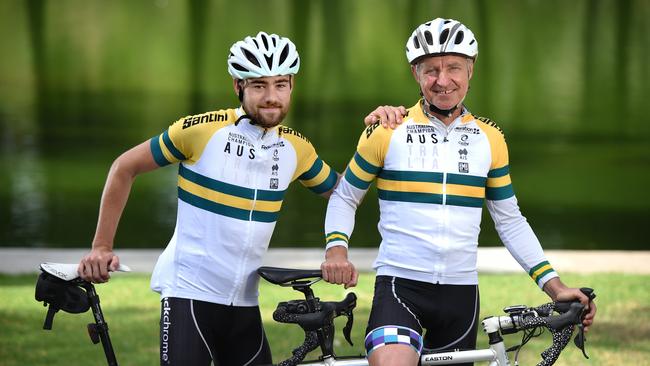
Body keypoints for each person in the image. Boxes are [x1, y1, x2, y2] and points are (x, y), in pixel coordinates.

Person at [320, 18, 596, 366]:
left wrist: (554, 286)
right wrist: (336, 250)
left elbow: (509, 220)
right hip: (400, 286)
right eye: (431, 70)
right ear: (415, 74)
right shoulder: (387, 129)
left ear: (471, 70)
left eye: (454, 68)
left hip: (461, 295)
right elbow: (346, 196)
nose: (443, 80)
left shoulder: (490, 139)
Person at [77, 31, 340, 365]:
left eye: (281, 84)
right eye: (259, 85)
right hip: (189, 295)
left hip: (244, 303)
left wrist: (384, 133)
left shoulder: (297, 149)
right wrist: (101, 246)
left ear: (291, 86)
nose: (272, 96)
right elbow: (123, 168)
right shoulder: (202, 132)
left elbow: (343, 192)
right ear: (238, 87)